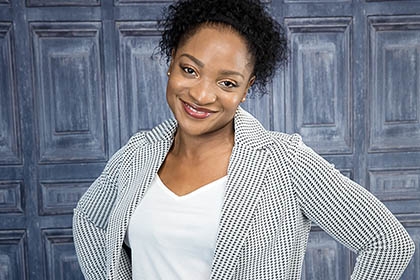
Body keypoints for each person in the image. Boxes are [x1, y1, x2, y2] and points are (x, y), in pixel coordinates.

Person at [73, 0, 415, 279]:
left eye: (227, 83)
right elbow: (89, 219)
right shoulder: (138, 154)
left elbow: (387, 242)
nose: (201, 94)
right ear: (171, 62)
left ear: (247, 88)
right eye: (189, 70)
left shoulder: (284, 162)